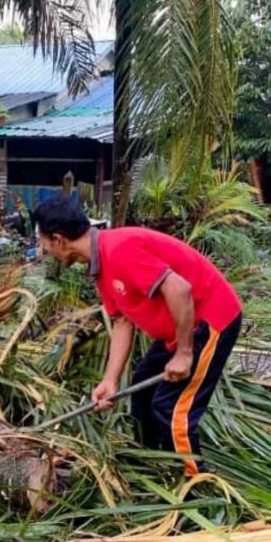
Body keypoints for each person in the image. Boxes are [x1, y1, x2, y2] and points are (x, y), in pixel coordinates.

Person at [32, 195, 242, 476]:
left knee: (171, 410)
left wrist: (183, 353)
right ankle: (155, 467)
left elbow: (179, 290)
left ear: (57, 239)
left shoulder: (120, 249)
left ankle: (198, 485)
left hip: (210, 320)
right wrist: (109, 380)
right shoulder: (99, 265)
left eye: (44, 244)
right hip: (179, 332)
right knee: (142, 394)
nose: (45, 250)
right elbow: (122, 323)